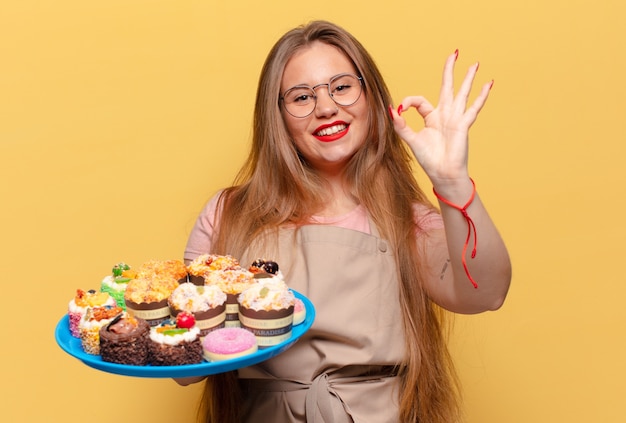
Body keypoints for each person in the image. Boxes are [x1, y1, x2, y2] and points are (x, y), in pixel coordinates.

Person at [178, 20, 511, 423]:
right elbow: (185, 365)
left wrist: (451, 181)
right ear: (277, 117)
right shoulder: (228, 214)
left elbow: (485, 294)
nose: (326, 107)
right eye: (301, 97)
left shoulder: (407, 219)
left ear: (370, 95)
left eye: (341, 86)